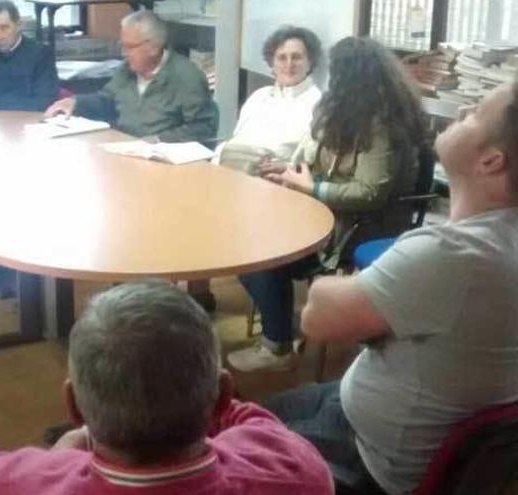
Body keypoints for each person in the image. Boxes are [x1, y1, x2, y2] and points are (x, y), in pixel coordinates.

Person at [265, 80, 518, 494]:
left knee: (235, 435)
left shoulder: (453, 255)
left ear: (492, 160)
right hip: (376, 414)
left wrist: (358, 288)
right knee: (267, 410)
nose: (458, 113)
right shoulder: (491, 241)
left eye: (474, 112)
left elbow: (316, 318)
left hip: (368, 460)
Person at [0, 281, 333, 494]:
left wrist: (62, 452)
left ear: (73, 407)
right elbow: (261, 427)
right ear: (222, 396)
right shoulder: (294, 472)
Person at [227, 36, 427, 372]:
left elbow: (369, 193)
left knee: (260, 256)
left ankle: (277, 346)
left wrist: (313, 187)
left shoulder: (383, 126)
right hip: (325, 212)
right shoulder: (342, 112)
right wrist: (291, 170)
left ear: (351, 78)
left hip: (362, 226)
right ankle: (281, 322)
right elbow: (320, 160)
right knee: (245, 240)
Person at [44, 10, 217, 143]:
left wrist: (159, 140)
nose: (124, 53)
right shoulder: (127, 70)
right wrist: (75, 102)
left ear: (154, 47)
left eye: (129, 47)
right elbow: (107, 100)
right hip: (123, 148)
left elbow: (202, 127)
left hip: (163, 160)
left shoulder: (186, 77)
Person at [212, 25, 323, 170]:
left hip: (275, 181)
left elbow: (307, 162)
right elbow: (236, 140)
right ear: (272, 64)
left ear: (310, 63)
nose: (289, 64)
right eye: (282, 58)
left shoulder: (317, 103)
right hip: (228, 171)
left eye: (296, 57)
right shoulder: (259, 96)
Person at [0, 0, 59, 112]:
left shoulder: (40, 54)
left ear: (18, 25)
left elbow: (45, 101)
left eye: (4, 28)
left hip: (28, 122)